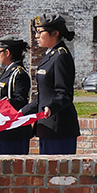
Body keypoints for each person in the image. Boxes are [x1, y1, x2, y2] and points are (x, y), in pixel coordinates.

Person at [20, 14, 80, 154]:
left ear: (55, 33)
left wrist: (51, 108)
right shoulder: (50, 55)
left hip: (59, 127)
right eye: (36, 32)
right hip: (47, 127)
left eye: (40, 32)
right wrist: (23, 112)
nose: (36, 36)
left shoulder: (61, 56)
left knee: (59, 174)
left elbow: (64, 94)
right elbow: (45, 95)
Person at [0, 35, 32, 154]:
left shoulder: (19, 74)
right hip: (4, 129)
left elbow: (20, 101)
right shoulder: (8, 71)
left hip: (15, 132)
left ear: (7, 52)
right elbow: (0, 94)